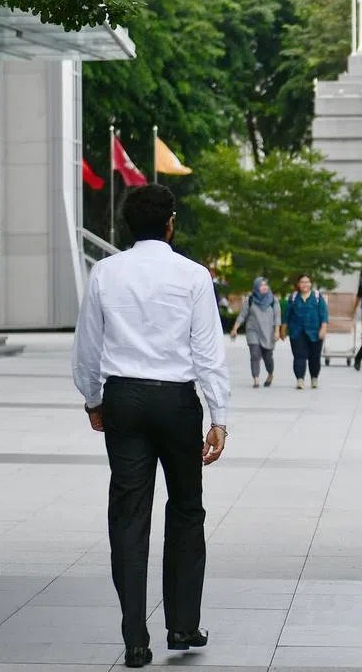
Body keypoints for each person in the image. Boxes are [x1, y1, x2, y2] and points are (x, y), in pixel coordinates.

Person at [71, 184, 229, 668]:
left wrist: (93, 400)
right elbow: (208, 351)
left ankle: (134, 636)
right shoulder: (193, 276)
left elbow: (87, 346)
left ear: (125, 225)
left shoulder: (106, 272)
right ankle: (182, 625)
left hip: (124, 400)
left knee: (128, 515)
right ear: (170, 223)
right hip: (177, 402)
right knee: (185, 510)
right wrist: (219, 415)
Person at [230, 277, 281, 388]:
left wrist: (277, 331)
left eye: (265, 285)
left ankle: (270, 374)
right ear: (256, 287)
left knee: (268, 357)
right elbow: (242, 315)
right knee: (255, 354)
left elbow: (277, 317)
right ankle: (256, 379)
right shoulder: (250, 300)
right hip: (253, 331)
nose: (264, 287)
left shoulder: (273, 300)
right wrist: (235, 329)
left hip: (269, 333)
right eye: (261, 285)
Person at [282, 273, 328, 389]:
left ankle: (314, 378)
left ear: (310, 284)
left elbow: (324, 314)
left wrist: (323, 328)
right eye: (302, 282)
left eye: (307, 282)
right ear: (298, 284)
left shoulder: (317, 296)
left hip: (315, 332)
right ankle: (300, 379)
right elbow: (287, 315)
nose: (304, 284)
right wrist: (283, 329)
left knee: (314, 357)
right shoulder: (293, 297)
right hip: (297, 332)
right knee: (299, 356)